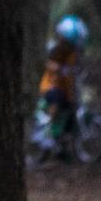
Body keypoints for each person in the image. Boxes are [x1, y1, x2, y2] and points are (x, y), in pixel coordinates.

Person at [36, 14, 89, 151]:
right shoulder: (55, 49)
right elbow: (48, 63)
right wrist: (60, 68)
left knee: (71, 108)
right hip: (52, 86)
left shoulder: (73, 53)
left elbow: (76, 69)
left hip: (67, 88)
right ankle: (46, 131)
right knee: (57, 98)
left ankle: (62, 142)